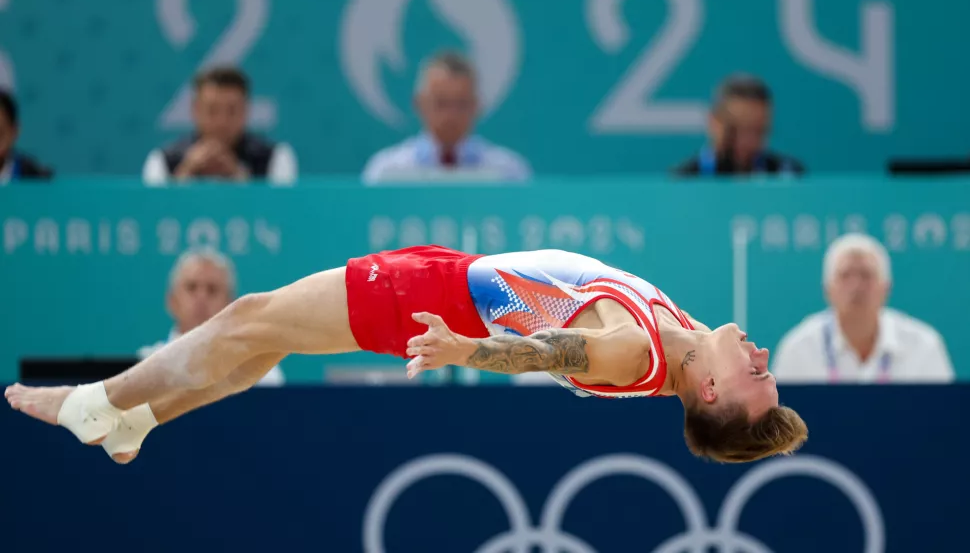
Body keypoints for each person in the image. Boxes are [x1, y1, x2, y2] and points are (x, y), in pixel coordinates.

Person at [5, 246, 807, 465]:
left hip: (429, 297)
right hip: (446, 282)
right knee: (263, 339)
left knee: (248, 319)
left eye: (758, 370)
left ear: (708, 389)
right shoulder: (687, 340)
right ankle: (138, 420)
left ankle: (96, 402)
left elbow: (552, 351)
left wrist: (467, 349)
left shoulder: (635, 351)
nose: (762, 351)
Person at [771, 233, 954, 383]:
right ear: (827, 289)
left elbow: (944, 412)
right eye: (845, 276)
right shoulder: (798, 349)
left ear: (886, 287)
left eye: (866, 275)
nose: (856, 286)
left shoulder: (923, 346)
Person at [362, 51, 531, 183]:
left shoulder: (509, 173)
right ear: (419, 104)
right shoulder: (386, 172)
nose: (451, 115)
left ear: (476, 106)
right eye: (441, 103)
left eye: (461, 104)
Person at [137, 248, 284, 387]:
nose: (201, 297)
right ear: (172, 300)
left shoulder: (261, 374)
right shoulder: (142, 368)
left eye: (212, 290)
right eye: (191, 287)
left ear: (231, 305)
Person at [142, 66, 297, 185]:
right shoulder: (162, 161)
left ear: (246, 111)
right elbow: (154, 211)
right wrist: (185, 174)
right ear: (195, 110)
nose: (221, 121)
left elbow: (282, 211)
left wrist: (240, 178)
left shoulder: (276, 158)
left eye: (232, 111)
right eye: (212, 110)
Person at [672, 74, 804, 178]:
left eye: (758, 131)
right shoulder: (684, 180)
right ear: (713, 121)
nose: (747, 141)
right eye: (734, 130)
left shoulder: (788, 176)